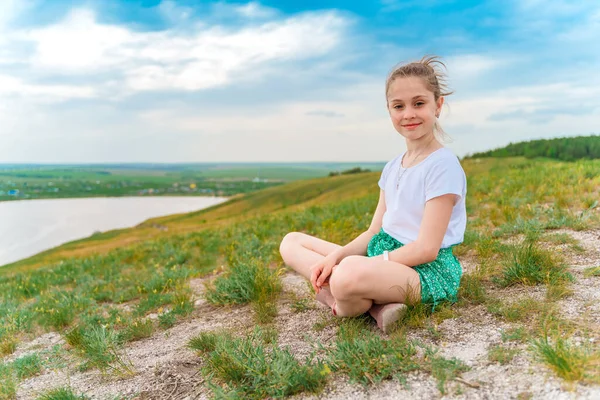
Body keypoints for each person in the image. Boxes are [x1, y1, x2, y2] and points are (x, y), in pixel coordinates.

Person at [279, 56, 467, 333]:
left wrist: (364, 264)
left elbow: (426, 249)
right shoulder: (393, 167)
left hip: (425, 271)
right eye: (398, 106)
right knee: (291, 242)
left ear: (437, 106)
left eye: (419, 103)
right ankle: (379, 305)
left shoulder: (443, 165)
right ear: (389, 111)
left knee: (346, 275)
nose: (408, 114)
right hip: (384, 256)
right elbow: (373, 232)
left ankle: (342, 302)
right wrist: (335, 258)